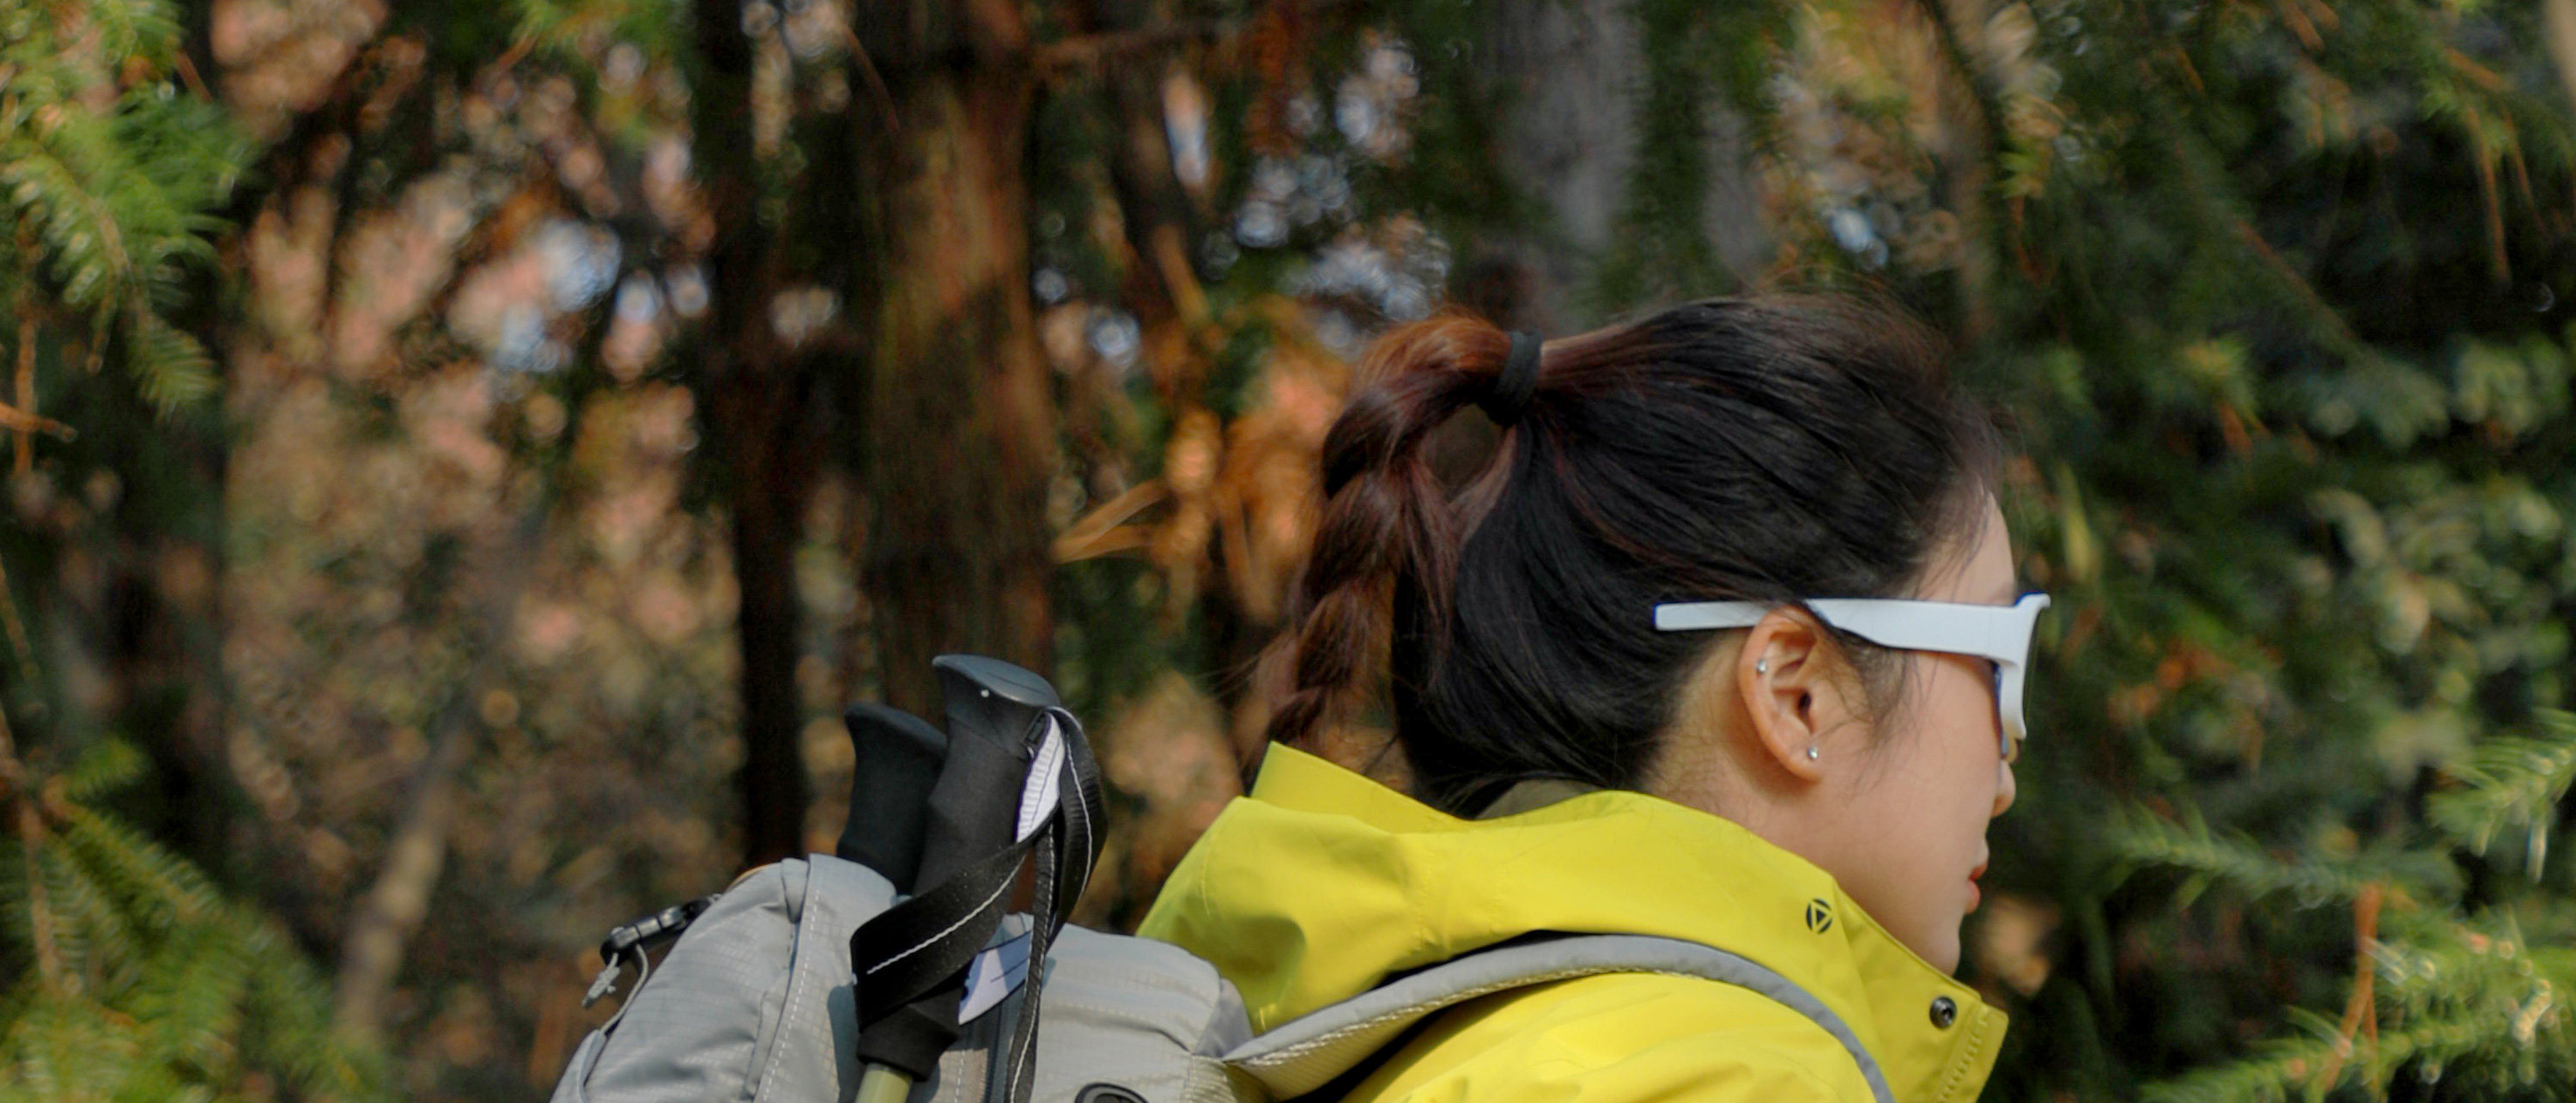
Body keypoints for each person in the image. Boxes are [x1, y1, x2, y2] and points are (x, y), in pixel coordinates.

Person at [1135, 296, 2044, 1103]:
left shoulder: (1373, 1036)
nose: (2009, 768)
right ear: (1796, 692)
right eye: (2001, 658)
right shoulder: (1728, 1077)